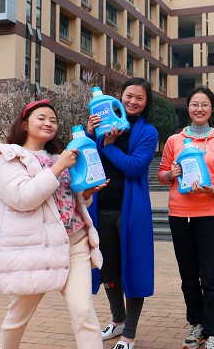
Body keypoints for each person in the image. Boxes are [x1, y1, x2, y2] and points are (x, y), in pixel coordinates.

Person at [0, 99, 107, 349]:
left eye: (53, 120)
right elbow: (23, 198)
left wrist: (86, 193)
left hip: (75, 243)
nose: (48, 123)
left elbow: (67, 199)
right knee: (18, 317)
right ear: (24, 124)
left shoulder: (57, 156)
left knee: (84, 312)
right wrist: (60, 165)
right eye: (41, 118)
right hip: (35, 249)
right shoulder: (9, 159)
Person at [157, 86, 214, 349]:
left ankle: (213, 332)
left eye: (204, 105)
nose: (199, 109)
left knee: (211, 276)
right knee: (188, 275)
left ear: (212, 109)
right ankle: (196, 323)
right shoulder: (174, 141)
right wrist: (172, 173)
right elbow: (162, 175)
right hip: (179, 214)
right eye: (194, 104)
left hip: (209, 214)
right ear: (187, 108)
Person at [86, 77, 158, 349]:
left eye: (140, 98)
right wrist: (92, 135)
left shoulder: (147, 132)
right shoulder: (101, 127)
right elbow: (87, 161)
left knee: (133, 271)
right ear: (119, 96)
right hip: (101, 208)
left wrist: (109, 146)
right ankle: (117, 319)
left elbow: (135, 167)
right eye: (129, 95)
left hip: (131, 212)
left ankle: (129, 332)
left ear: (146, 103)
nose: (132, 101)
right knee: (108, 270)